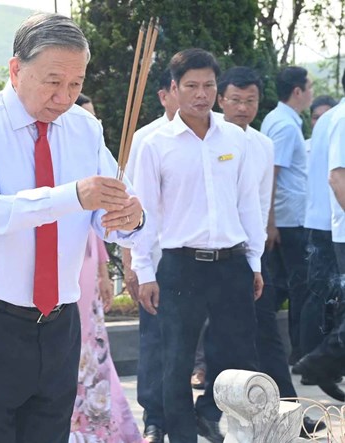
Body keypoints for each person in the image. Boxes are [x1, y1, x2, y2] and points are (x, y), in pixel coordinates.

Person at [0, 13, 145, 443]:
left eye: (75, 83)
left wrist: (130, 218)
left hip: (58, 325)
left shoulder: (85, 128)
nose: (64, 97)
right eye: (53, 81)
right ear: (16, 70)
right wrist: (72, 196)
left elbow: (107, 210)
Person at [131, 49, 265, 443]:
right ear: (173, 89)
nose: (201, 94)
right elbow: (144, 214)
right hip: (180, 266)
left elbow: (248, 204)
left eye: (208, 85)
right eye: (191, 85)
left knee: (237, 357)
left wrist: (255, 262)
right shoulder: (156, 144)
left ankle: (223, 424)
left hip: (231, 263)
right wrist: (143, 270)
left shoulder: (235, 138)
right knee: (175, 360)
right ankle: (181, 436)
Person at [217, 66, 325, 436]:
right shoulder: (204, 140)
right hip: (205, 257)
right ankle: (193, 415)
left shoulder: (260, 143)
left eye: (250, 100)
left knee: (265, 332)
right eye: (235, 100)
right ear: (221, 100)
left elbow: (263, 196)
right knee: (214, 339)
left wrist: (265, 232)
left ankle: (288, 415)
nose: (242, 108)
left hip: (250, 252)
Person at [70, 93, 145, 443]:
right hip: (65, 266)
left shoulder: (93, 154)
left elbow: (100, 227)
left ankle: (98, 430)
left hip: (87, 262)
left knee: (92, 349)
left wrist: (103, 273)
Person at [121, 69, 178, 443]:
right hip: (156, 260)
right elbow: (128, 207)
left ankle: (198, 414)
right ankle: (155, 419)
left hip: (202, 261)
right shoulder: (146, 139)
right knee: (155, 342)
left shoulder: (218, 137)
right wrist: (131, 264)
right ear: (165, 94)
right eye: (183, 87)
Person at [293, 75, 345, 403]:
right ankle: (319, 361)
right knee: (322, 297)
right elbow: (337, 178)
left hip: (326, 221)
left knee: (330, 298)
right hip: (333, 224)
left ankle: (321, 361)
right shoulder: (341, 119)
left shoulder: (331, 117)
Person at [261, 66, 313, 365]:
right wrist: (270, 222)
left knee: (282, 284)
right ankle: (300, 352)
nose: (311, 94)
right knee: (299, 286)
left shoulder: (281, 119)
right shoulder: (284, 125)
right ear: (297, 91)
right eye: (310, 87)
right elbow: (273, 172)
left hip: (287, 217)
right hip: (289, 219)